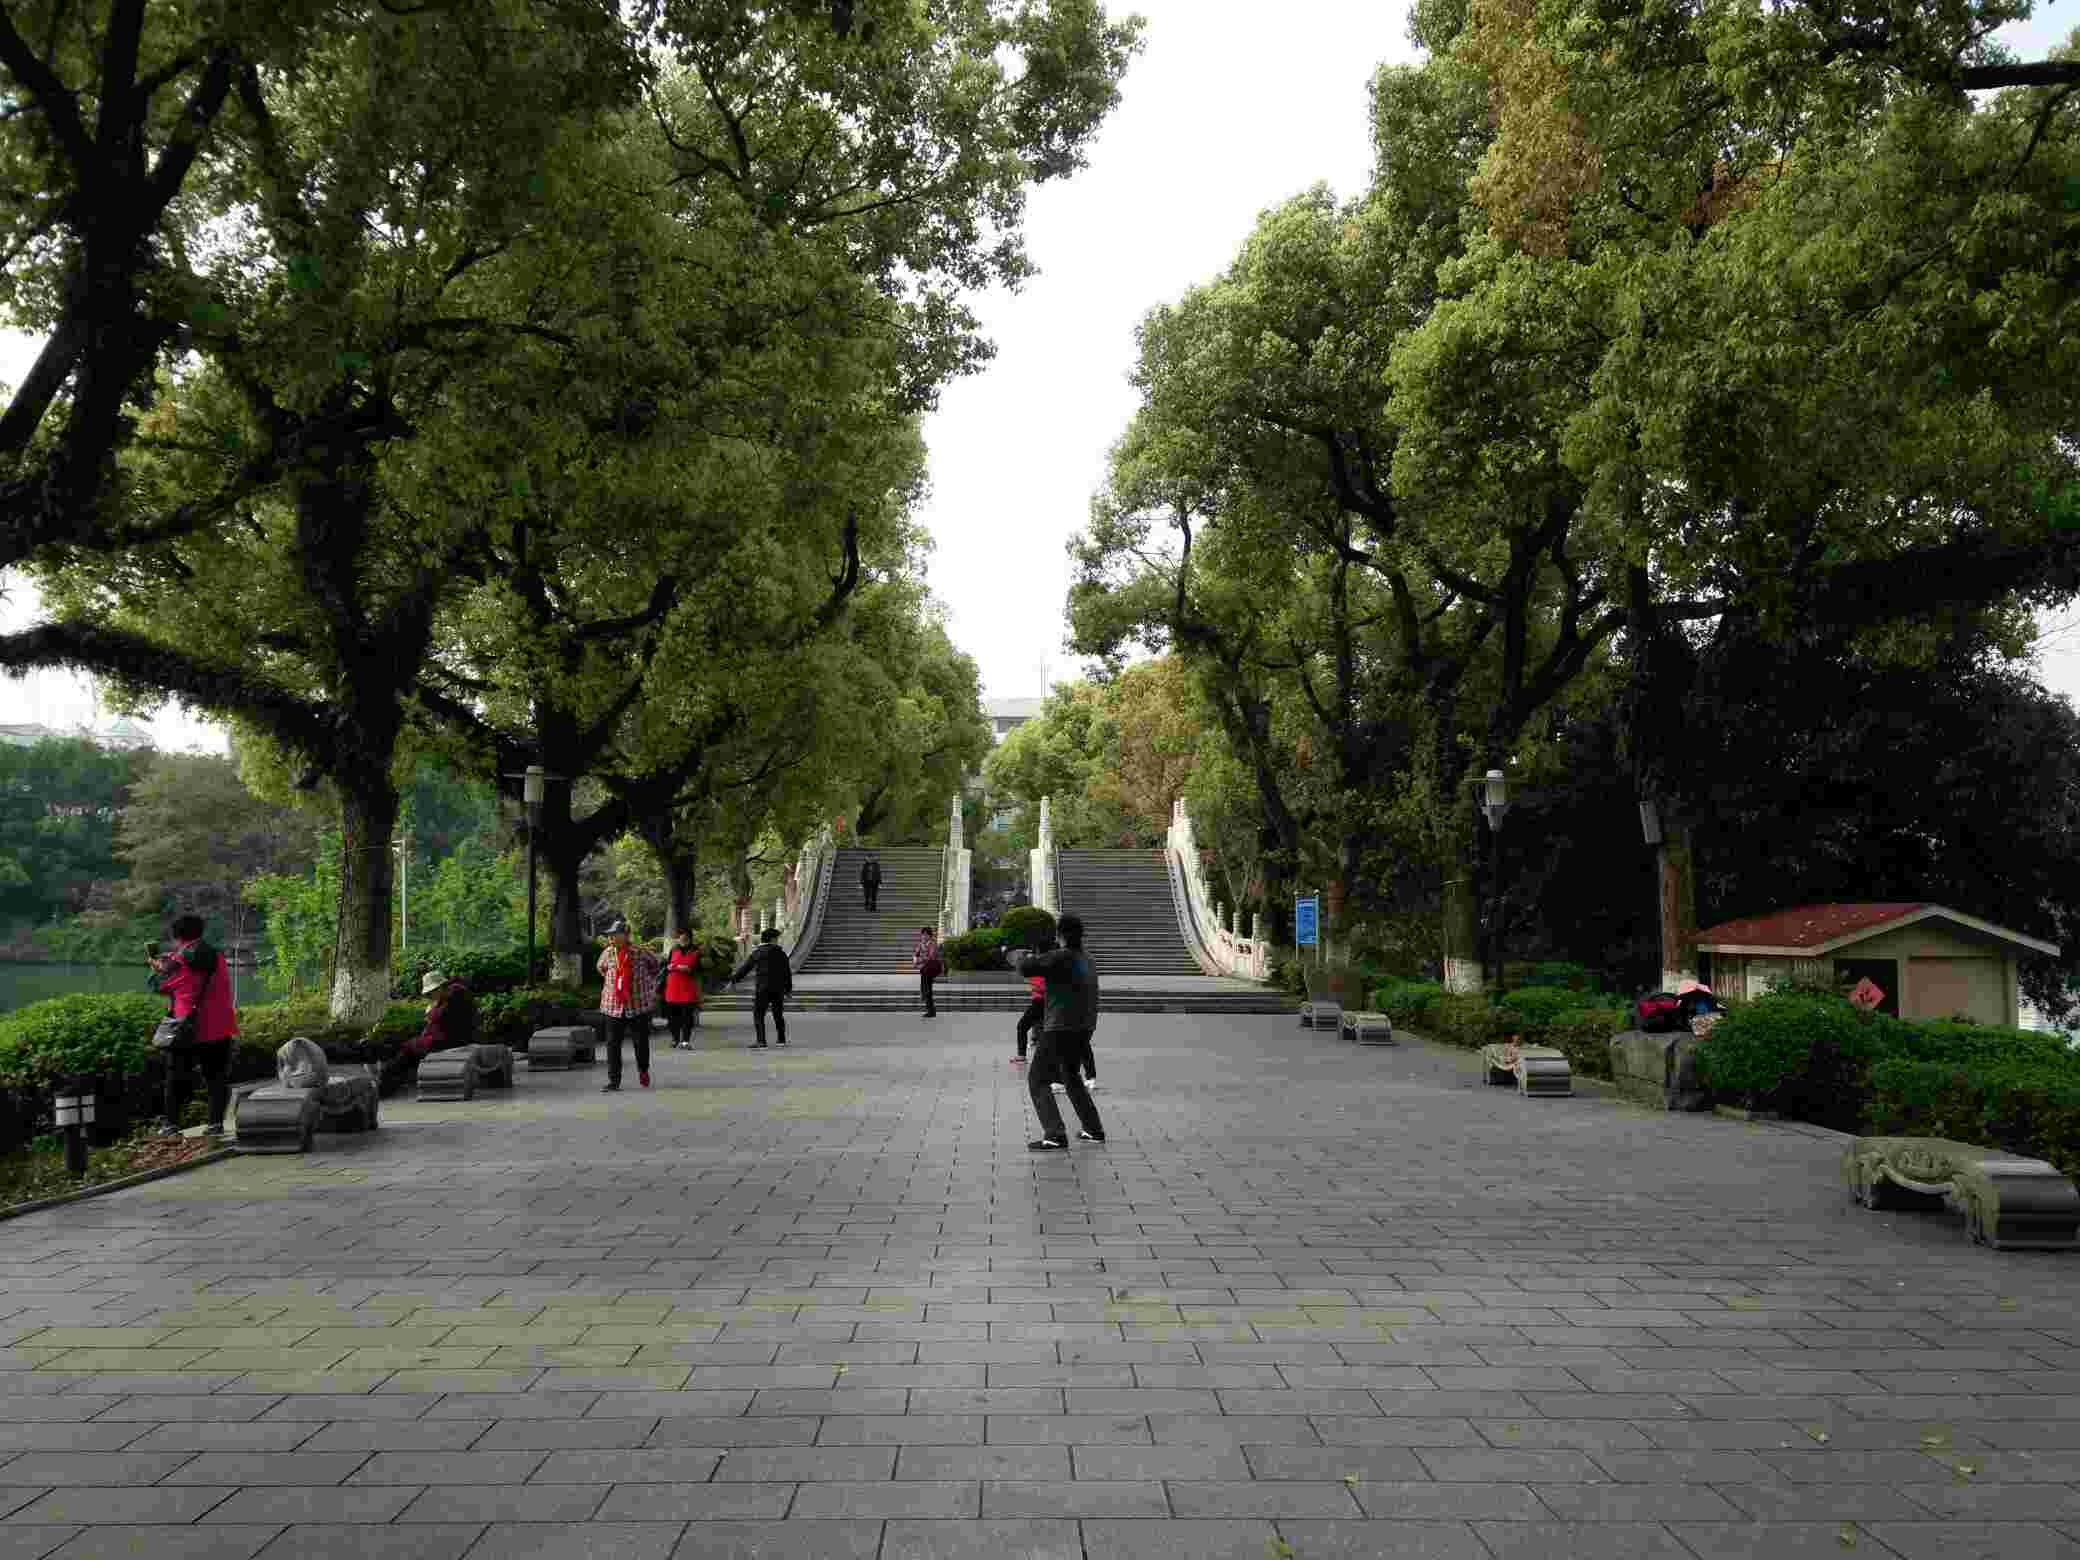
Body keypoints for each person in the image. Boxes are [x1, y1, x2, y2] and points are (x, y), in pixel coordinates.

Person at [1017, 913, 1103, 1151]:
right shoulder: (1088, 958)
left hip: (1059, 1027)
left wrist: (1022, 955)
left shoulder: (1060, 956)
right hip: (1085, 1026)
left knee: (1037, 1079)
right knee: (1071, 1075)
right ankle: (1093, 1129)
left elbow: (1026, 968)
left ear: (1060, 935)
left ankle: (1054, 1134)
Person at [148, 913, 238, 1137]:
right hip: (219, 1027)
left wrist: (157, 968)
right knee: (216, 1078)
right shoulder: (218, 957)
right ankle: (215, 1125)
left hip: (187, 1029)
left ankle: (170, 1126)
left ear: (176, 936)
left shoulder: (177, 962)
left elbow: (157, 986)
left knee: (175, 1079)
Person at [381, 969, 478, 1097]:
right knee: (402, 1047)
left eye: (431, 993)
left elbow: (439, 1017)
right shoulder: (448, 996)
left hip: (454, 1039)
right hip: (445, 1037)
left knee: (408, 1049)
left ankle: (385, 1084)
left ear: (440, 987)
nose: (430, 997)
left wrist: (431, 1011)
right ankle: (387, 1081)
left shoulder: (456, 993)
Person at [596, 921, 661, 1092]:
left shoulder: (640, 953)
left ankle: (643, 1070)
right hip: (613, 1005)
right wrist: (615, 983)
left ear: (625, 935)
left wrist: (644, 985)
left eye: (614, 934)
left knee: (641, 1042)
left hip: (637, 1005)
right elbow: (601, 968)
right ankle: (614, 1081)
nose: (610, 937)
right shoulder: (607, 953)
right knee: (612, 1044)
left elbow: (655, 967)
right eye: (609, 935)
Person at [730, 927, 792, 1048]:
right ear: (772, 939)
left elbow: (745, 968)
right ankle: (781, 1040)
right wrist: (788, 990)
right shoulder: (781, 953)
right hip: (778, 989)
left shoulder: (757, 952)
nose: (778, 941)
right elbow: (786, 973)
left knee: (758, 1014)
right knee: (778, 1014)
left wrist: (733, 981)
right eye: (777, 938)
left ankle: (761, 1041)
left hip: (762, 988)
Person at [660, 930, 703, 1050]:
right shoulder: (674, 950)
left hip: (688, 988)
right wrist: (672, 967)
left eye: (685, 938)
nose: (682, 940)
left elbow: (699, 970)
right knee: (672, 1017)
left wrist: (689, 970)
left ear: (689, 939)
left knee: (687, 1016)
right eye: (680, 938)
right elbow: (667, 966)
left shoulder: (696, 951)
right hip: (672, 987)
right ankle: (675, 1038)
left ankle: (685, 1041)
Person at [1013, 968, 1043, 1066]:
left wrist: (1037, 989)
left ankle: (1021, 1056)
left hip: (1040, 1002)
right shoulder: (1035, 970)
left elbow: (1045, 988)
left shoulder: (1041, 970)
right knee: (1040, 1026)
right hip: (1041, 1002)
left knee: (1022, 1026)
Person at [914, 925, 941, 1018]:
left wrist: (920, 959)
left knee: (927, 989)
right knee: (925, 988)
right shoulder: (921, 944)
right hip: (923, 969)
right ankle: (930, 1009)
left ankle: (931, 1010)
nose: (924, 936)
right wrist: (916, 960)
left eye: (926, 934)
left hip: (930, 969)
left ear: (930, 935)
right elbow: (916, 954)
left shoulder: (932, 944)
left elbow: (931, 957)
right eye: (923, 934)